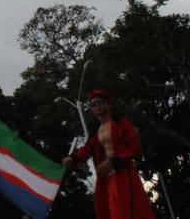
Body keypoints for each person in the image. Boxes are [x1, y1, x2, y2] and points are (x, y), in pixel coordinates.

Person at [61, 89, 155, 219]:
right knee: (111, 212)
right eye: (94, 104)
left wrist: (113, 162)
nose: (98, 105)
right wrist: (72, 158)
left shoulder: (121, 122)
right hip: (106, 178)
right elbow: (87, 149)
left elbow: (135, 147)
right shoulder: (95, 131)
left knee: (132, 210)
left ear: (109, 105)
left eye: (101, 102)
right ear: (92, 109)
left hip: (124, 174)